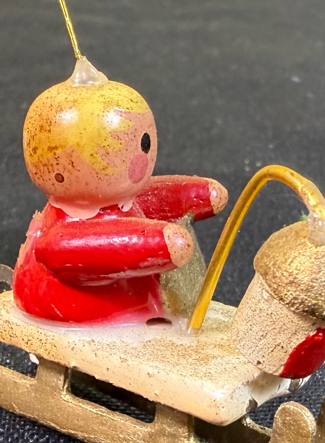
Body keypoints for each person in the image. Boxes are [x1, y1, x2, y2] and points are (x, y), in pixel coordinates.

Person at [12, 61, 227, 325]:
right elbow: (74, 247)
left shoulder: (127, 201)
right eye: (111, 152)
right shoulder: (59, 237)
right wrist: (159, 244)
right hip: (74, 313)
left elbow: (148, 202)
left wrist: (198, 195)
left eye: (144, 144)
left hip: (143, 308)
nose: (138, 159)